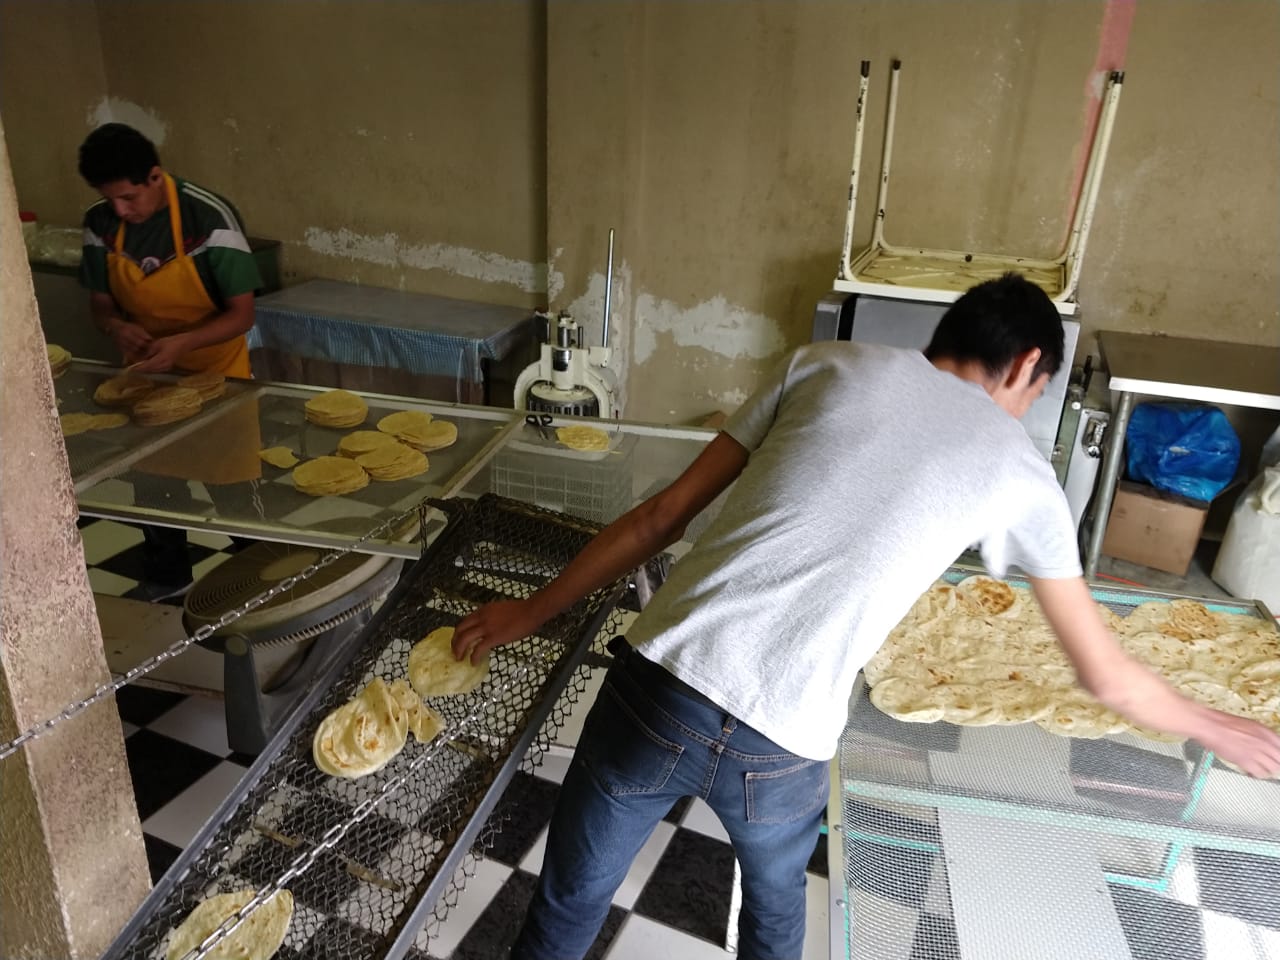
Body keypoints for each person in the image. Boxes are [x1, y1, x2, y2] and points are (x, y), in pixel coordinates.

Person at [451, 273, 1280, 960]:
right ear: (1028, 364)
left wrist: (528, 611)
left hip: (660, 681)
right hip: (780, 744)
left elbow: (655, 520)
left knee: (565, 909)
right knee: (775, 924)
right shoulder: (1021, 473)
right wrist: (1212, 724)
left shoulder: (821, 363)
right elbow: (1103, 672)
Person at [78, 123, 264, 598]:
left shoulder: (210, 218)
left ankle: (259, 583)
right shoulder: (100, 223)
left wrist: (181, 344)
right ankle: (167, 579)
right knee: (154, 490)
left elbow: (242, 314)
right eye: (110, 199)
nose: (120, 209)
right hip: (145, 378)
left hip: (218, 377)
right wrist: (116, 327)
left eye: (128, 198)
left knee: (234, 492)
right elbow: (101, 305)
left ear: (155, 176)